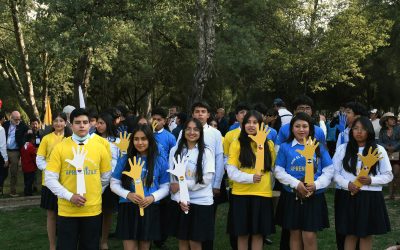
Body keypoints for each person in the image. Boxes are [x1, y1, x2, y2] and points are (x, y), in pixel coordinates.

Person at [45, 108, 112, 250]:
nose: (82, 125)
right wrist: (69, 196)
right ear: (71, 125)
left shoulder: (101, 146)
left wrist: (95, 191)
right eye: (78, 122)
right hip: (67, 210)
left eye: (85, 122)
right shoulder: (60, 147)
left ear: (90, 125)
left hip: (92, 209)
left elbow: (106, 176)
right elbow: (50, 178)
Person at [274, 112, 333, 250]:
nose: (301, 129)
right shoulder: (285, 147)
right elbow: (278, 170)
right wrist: (296, 184)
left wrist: (316, 185)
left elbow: (329, 170)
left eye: (305, 126)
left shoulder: (319, 147)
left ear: (310, 128)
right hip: (291, 195)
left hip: (314, 195)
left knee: (309, 235)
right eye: (297, 126)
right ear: (292, 128)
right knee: (294, 233)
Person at [334, 116, 392, 250]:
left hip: (370, 197)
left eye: (363, 129)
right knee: (350, 234)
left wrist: (372, 180)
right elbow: (334, 173)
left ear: (369, 131)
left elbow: (388, 175)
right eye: (355, 128)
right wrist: (347, 184)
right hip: (348, 195)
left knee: (366, 235)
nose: (359, 132)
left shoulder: (379, 149)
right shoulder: (343, 148)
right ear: (351, 131)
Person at [110, 124, 169, 250]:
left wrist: (152, 197)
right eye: (136, 139)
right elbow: (114, 183)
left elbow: (166, 186)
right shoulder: (125, 159)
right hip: (128, 207)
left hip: (149, 207)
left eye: (143, 139)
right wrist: (128, 195)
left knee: (144, 246)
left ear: (150, 140)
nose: (140, 142)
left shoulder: (159, 160)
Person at [227, 111, 276, 250]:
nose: (251, 125)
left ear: (261, 125)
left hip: (262, 194)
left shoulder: (269, 145)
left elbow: (271, 168)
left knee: (258, 234)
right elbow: (231, 171)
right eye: (248, 122)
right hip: (241, 194)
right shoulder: (237, 144)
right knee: (242, 234)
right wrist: (250, 178)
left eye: (255, 122)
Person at [168, 118, 216, 250]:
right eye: (188, 129)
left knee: (195, 242)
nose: (191, 132)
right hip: (181, 202)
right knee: (183, 240)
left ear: (201, 132)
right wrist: (179, 199)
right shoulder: (175, 151)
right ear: (183, 131)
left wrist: (183, 185)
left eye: (195, 129)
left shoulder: (207, 152)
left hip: (201, 202)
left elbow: (206, 179)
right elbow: (173, 181)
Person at [36, 112, 72, 250]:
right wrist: (51, 170)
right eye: (56, 121)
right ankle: (52, 245)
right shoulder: (46, 139)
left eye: (61, 121)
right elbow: (39, 160)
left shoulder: (70, 139)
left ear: (65, 122)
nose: (58, 123)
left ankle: (66, 243)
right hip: (49, 183)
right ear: (52, 123)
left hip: (68, 182)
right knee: (51, 215)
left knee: (66, 216)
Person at [95, 112, 120, 250]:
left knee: (107, 212)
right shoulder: (91, 139)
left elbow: (120, 159)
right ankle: (92, 239)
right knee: (93, 212)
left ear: (108, 124)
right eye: (97, 123)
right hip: (93, 180)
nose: (98, 125)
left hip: (110, 181)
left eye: (101, 123)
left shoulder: (116, 141)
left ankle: (104, 241)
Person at [3, 110, 29, 196]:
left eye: (19, 119)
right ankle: (1, 189)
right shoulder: (6, 124)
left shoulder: (22, 125)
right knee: (2, 170)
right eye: (16, 119)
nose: (17, 121)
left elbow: (28, 129)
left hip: (15, 151)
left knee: (14, 172)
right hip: (5, 150)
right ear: (11, 118)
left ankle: (12, 191)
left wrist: (29, 131)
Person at [378, 112, 400, 200]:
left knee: (397, 173)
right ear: (386, 121)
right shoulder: (382, 131)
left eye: (394, 119)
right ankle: (391, 195)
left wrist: (394, 147)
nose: (394, 120)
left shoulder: (398, 129)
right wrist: (386, 147)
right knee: (389, 173)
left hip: (398, 154)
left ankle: (396, 193)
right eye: (391, 119)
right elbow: (379, 142)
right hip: (387, 154)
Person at [0, 111, 8, 195]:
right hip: (0, 155)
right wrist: (5, 159)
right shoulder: (1, 129)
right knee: (3, 172)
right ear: (2, 119)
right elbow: (2, 145)